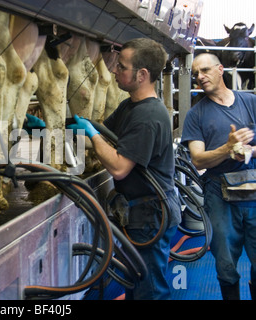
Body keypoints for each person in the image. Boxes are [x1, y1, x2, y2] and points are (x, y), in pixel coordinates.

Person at [67, 38, 181, 300]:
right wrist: (45, 130)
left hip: (151, 212)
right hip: (139, 209)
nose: (115, 71)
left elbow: (118, 167)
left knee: (149, 290)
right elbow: (101, 137)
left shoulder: (148, 116)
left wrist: (92, 134)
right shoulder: (130, 106)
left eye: (122, 67)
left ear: (142, 75)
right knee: (137, 282)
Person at [181, 53, 256, 300]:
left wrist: (248, 151)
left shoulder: (250, 101)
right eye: (195, 74)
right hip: (219, 194)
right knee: (225, 262)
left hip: (254, 190)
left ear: (220, 69)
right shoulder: (196, 114)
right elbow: (197, 159)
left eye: (204, 70)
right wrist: (228, 149)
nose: (200, 77)